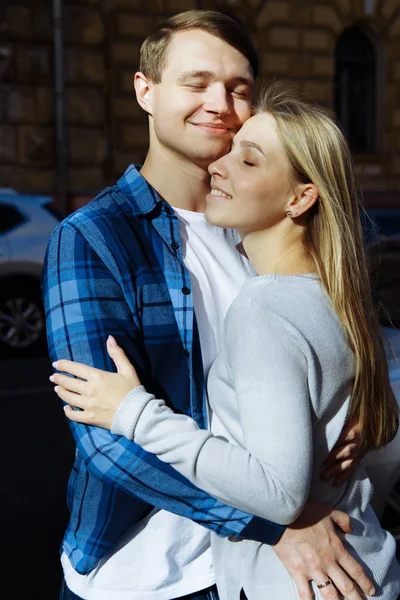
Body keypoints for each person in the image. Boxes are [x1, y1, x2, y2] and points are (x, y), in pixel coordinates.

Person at [42, 10, 375, 600]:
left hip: (251, 574)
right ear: (146, 91)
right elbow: (105, 440)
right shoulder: (95, 236)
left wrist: (367, 411)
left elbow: (343, 340)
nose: (220, 102)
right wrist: (275, 524)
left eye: (238, 88)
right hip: (146, 575)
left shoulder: (263, 224)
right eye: (196, 82)